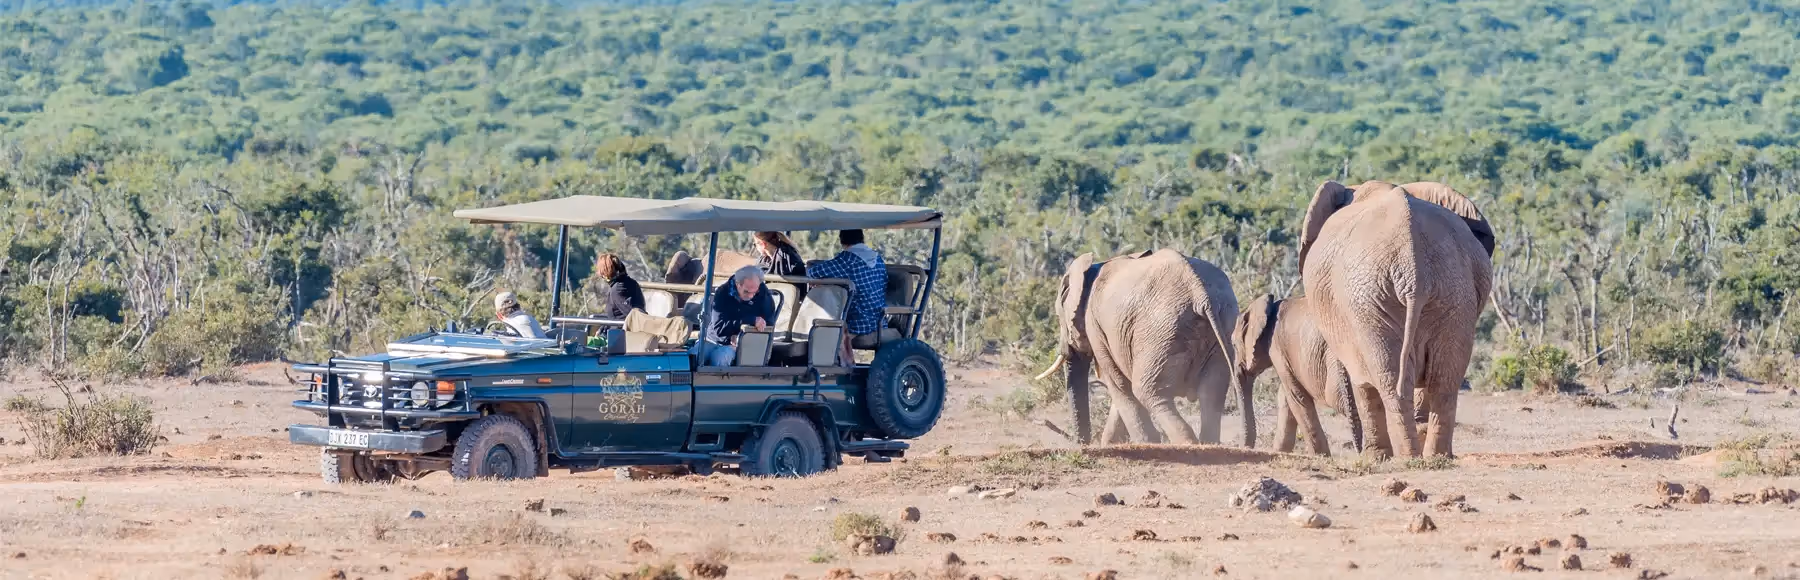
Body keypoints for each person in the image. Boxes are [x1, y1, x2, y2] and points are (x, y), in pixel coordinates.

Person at [805, 229, 887, 363]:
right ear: (862, 239)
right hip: (879, 320)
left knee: (824, 322)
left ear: (842, 241)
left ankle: (826, 366)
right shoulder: (878, 259)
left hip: (857, 322)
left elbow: (813, 273)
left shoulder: (847, 259)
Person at [692, 265, 776, 366]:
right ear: (737, 284)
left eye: (755, 292)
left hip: (743, 344)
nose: (750, 296)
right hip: (713, 339)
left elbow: (768, 324)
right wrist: (749, 320)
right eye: (746, 291)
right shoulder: (722, 293)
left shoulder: (764, 295)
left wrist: (743, 337)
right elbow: (719, 328)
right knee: (693, 356)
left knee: (720, 358)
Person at [594, 253, 645, 319]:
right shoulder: (631, 282)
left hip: (620, 328)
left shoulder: (617, 289)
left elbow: (632, 317)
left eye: (602, 272)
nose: (602, 276)